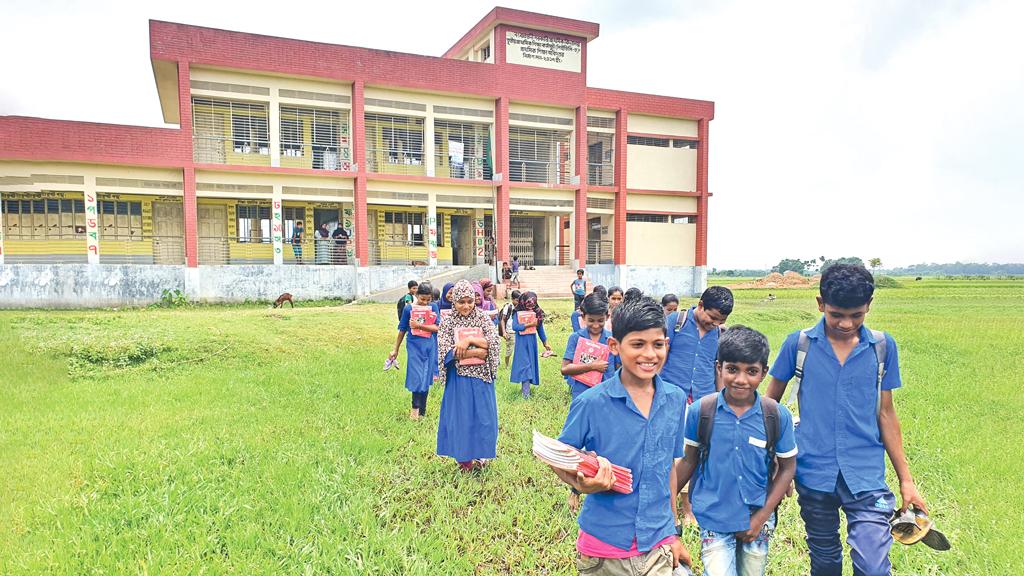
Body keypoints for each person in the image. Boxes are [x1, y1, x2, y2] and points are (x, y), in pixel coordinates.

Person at [765, 263, 927, 576]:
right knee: (824, 561)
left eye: (856, 315)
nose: (846, 323)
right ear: (820, 304)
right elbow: (771, 407)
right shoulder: (798, 346)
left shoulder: (881, 347)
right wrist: (771, 460)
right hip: (813, 471)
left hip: (865, 475)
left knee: (872, 565)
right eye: (836, 314)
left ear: (869, 307)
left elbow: (886, 413)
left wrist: (906, 479)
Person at [550, 292, 691, 575]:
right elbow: (559, 456)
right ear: (614, 346)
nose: (650, 355)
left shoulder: (675, 400)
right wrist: (582, 485)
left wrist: (673, 534)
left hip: (658, 542)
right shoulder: (591, 403)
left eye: (658, 344)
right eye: (638, 344)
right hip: (604, 548)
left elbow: (670, 469)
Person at [674, 326, 797, 576]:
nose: (741, 379)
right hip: (713, 516)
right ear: (719, 368)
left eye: (751, 371)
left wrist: (761, 517)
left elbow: (787, 468)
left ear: (764, 372)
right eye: (732, 369)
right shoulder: (701, 411)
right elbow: (689, 460)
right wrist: (661, 504)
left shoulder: (775, 415)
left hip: (758, 518)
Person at [662, 285, 734, 525]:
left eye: (720, 320)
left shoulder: (719, 335)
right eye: (711, 317)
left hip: (702, 400)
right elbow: (660, 356)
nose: (714, 323)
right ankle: (668, 504)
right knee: (672, 454)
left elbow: (718, 369)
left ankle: (688, 508)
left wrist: (721, 398)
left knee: (696, 453)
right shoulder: (676, 321)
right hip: (672, 397)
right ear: (700, 305)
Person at [435, 280, 501, 471]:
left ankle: (481, 455)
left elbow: (494, 342)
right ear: (454, 301)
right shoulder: (448, 321)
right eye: (461, 302)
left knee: (484, 417)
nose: (466, 306)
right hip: (460, 379)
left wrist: (469, 340)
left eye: (470, 301)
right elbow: (444, 350)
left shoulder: (482, 318)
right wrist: (477, 351)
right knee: (462, 419)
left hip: (481, 378)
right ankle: (464, 461)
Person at [387, 282, 439, 420]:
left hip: (429, 345)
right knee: (417, 376)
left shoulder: (433, 307)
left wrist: (420, 325)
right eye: (422, 299)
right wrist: (395, 349)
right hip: (414, 345)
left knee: (426, 376)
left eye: (428, 300)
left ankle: (423, 410)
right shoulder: (408, 309)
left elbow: (438, 328)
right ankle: (415, 409)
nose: (425, 302)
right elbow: (402, 329)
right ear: (416, 295)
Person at [561, 292, 619, 400]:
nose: (596, 325)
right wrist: (592, 366)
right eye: (591, 320)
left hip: (606, 394)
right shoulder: (576, 338)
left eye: (600, 320)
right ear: (583, 317)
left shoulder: (613, 339)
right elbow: (565, 368)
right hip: (581, 393)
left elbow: (619, 367)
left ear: (607, 317)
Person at [510, 291, 552, 399]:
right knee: (525, 366)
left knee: (530, 365)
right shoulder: (517, 312)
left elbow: (540, 328)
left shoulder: (537, 312)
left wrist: (545, 343)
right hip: (522, 344)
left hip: (532, 342)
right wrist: (530, 324)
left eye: (532, 306)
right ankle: (526, 395)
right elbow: (515, 327)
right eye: (528, 306)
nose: (530, 308)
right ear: (523, 303)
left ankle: (526, 391)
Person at [497, 290, 520, 368]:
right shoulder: (508, 307)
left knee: (519, 350)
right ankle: (507, 364)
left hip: (518, 331)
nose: (518, 302)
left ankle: (517, 364)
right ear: (512, 299)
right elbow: (502, 320)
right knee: (509, 350)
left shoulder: (520, 307)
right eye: (516, 300)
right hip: (510, 332)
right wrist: (504, 332)